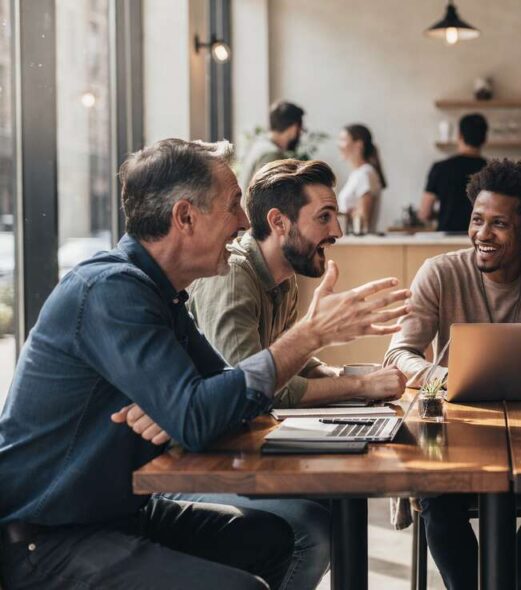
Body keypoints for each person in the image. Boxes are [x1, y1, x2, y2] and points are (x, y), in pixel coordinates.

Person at [0, 138, 410, 590]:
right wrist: (309, 335)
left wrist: (186, 407)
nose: (242, 221)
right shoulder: (111, 290)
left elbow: (230, 398)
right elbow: (200, 413)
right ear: (185, 217)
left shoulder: (163, 296)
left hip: (121, 514)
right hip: (48, 538)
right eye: (233, 205)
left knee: (280, 538)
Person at [122, 158, 407, 590]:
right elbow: (251, 385)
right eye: (324, 217)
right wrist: (358, 385)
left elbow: (278, 365)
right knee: (312, 523)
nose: (337, 232)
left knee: (328, 500)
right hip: (185, 470)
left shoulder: (283, 280)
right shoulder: (230, 277)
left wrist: (346, 374)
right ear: (279, 221)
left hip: (221, 450)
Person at [384, 158, 521, 590]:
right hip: (457, 435)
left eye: (499, 224)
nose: (483, 235)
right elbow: (398, 353)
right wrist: (444, 376)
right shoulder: (440, 272)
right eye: (477, 220)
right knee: (437, 494)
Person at [418, 113, 488, 232]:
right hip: (480, 238)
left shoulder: (440, 168)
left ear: (459, 136)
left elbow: (424, 213)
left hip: (446, 237)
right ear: (484, 138)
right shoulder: (492, 170)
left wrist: (444, 211)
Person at [238, 100, 305, 189]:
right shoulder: (272, 154)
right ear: (294, 128)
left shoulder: (258, 144)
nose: (300, 134)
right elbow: (270, 198)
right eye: (301, 130)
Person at [337, 123, 385, 234]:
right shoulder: (357, 174)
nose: (338, 145)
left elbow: (363, 218)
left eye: (343, 140)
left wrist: (340, 215)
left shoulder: (365, 173)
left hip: (359, 244)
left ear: (358, 144)